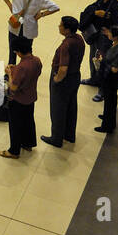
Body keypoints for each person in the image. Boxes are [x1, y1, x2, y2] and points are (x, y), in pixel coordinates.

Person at [41, 16, 85, 147]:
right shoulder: (79, 39)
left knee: (58, 109)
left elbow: (63, 68)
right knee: (71, 106)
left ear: (66, 29)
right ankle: (69, 135)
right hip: (75, 76)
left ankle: (56, 138)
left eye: (60, 25)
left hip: (63, 81)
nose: (58, 26)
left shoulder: (66, 45)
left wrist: (56, 79)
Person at [0, 0, 60, 65]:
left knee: (27, 51)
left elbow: (55, 7)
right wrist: (10, 6)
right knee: (12, 49)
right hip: (15, 25)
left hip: (29, 28)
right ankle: (11, 71)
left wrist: (42, 14)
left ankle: (25, 70)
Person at [80, 0, 118, 93]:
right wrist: (95, 13)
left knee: (101, 62)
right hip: (94, 34)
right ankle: (94, 79)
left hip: (104, 39)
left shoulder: (114, 6)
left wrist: (109, 32)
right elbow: (91, 9)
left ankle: (102, 89)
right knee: (93, 58)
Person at [0, 45, 43, 159]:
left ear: (19, 52)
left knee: (15, 125)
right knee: (29, 121)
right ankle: (28, 144)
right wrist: (16, 69)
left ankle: (14, 151)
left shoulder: (22, 67)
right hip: (31, 97)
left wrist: (10, 73)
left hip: (18, 100)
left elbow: (13, 87)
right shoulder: (37, 61)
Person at [95, 25, 118, 133]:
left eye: (110, 33)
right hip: (109, 79)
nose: (108, 34)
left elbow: (114, 69)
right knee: (109, 101)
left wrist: (103, 63)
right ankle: (107, 117)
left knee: (110, 101)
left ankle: (107, 126)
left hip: (111, 80)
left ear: (116, 37)